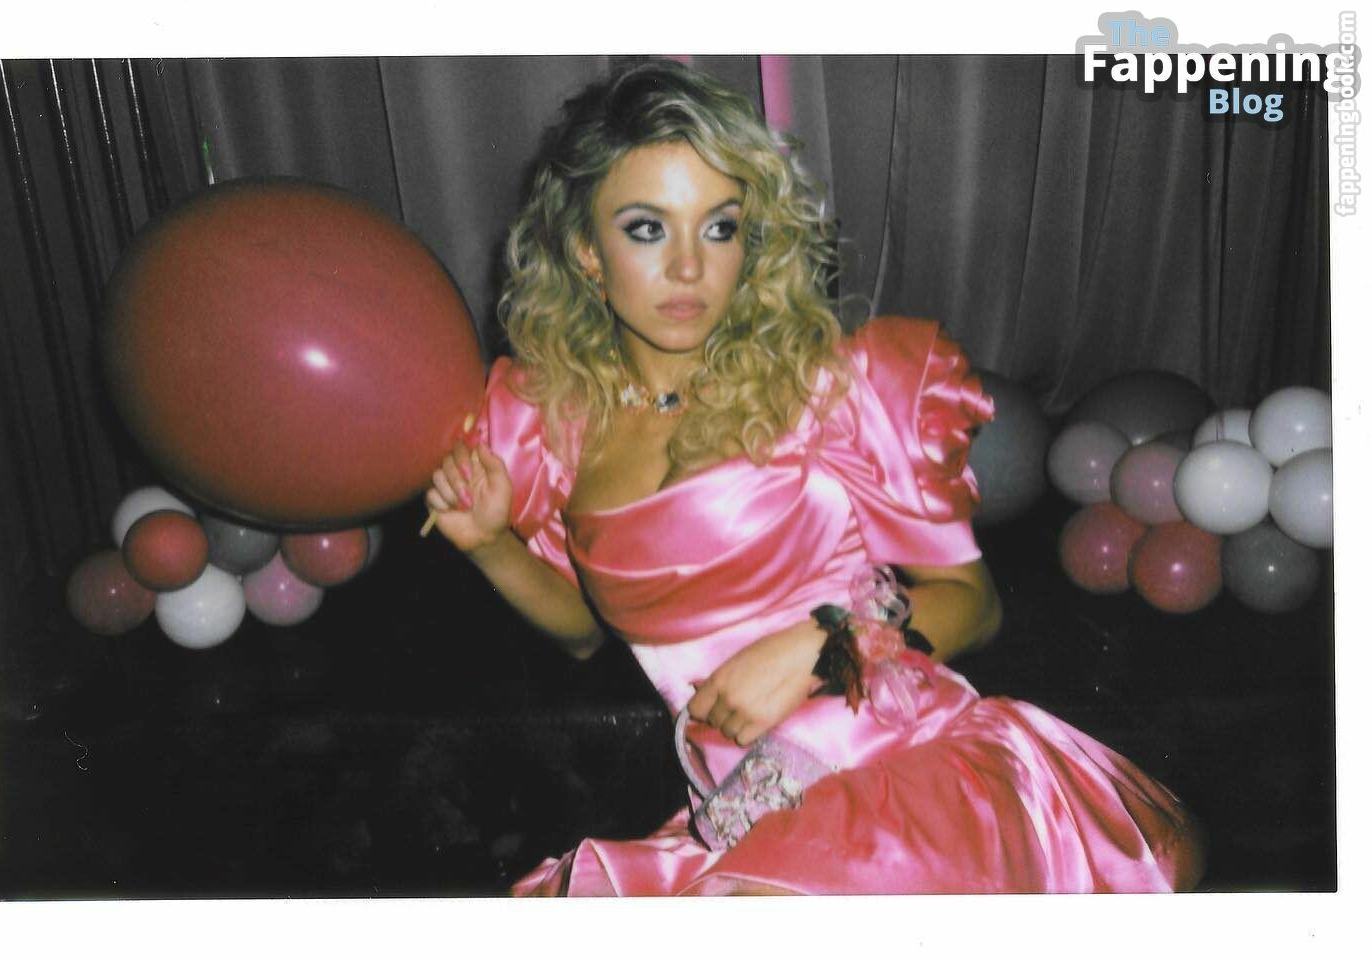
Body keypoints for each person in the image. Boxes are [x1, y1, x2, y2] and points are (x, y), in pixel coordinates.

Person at [423, 60, 1204, 895]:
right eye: (647, 229)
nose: (688, 267)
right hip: (747, 814)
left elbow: (974, 604)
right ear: (586, 251)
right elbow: (586, 630)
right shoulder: (554, 428)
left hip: (903, 767)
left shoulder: (833, 390)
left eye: (719, 228)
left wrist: (822, 649)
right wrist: (490, 545)